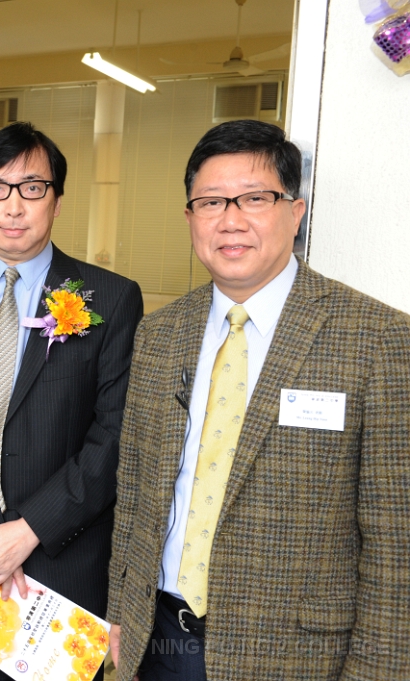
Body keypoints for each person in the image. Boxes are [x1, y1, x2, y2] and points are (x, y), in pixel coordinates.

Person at [106, 119, 410, 680]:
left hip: (296, 657)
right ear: (190, 218)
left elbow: (397, 546)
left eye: (254, 198)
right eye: (211, 202)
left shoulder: (378, 340)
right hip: (158, 639)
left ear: (296, 212)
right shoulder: (160, 333)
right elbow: (136, 492)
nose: (231, 220)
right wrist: (120, 612)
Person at [0, 122, 144, 680]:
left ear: (57, 201)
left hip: (64, 568)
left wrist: (27, 531)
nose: (13, 206)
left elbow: (115, 436)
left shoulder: (111, 298)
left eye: (32, 188)